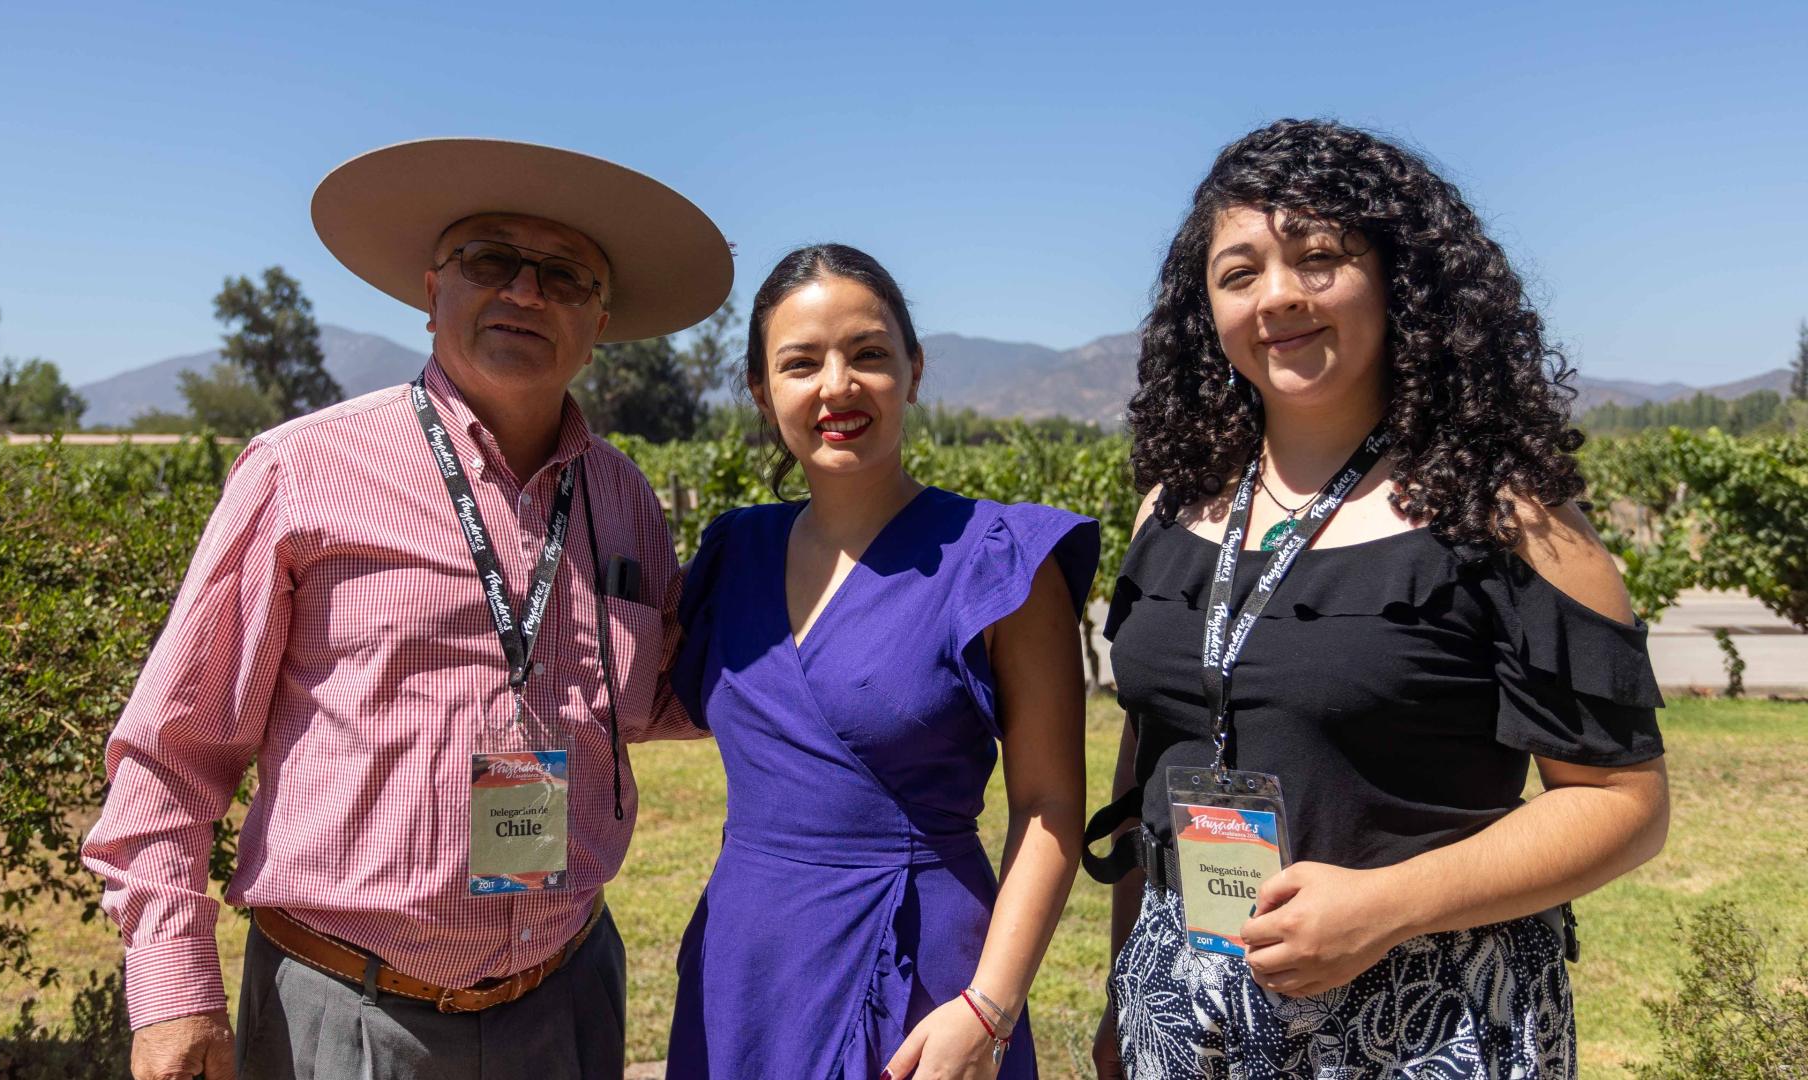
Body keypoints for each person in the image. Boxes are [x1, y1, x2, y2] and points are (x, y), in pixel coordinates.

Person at [81, 138, 732, 1080]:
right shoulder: (300, 472)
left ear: (601, 317)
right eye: (488, 261)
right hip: (345, 1014)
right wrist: (174, 991)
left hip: (570, 993)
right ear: (432, 290)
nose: (524, 292)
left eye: (563, 275)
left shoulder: (622, 499)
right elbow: (173, 752)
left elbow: (651, 697)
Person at [1084, 120, 1670, 1079]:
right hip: (1186, 1018)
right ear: (1207, 311)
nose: (1278, 296)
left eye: (1319, 258)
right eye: (1240, 274)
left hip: (1427, 1021)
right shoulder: (1172, 507)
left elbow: (1624, 805)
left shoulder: (1508, 517)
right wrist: (1124, 988)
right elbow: (1152, 753)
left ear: (1403, 281)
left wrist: (1387, 904)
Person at [663, 244, 1100, 1079]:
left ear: (914, 368)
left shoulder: (999, 560)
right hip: (743, 967)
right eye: (801, 363)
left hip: (925, 977)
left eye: (868, 354)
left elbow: (1048, 806)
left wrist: (990, 1006)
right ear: (761, 388)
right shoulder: (731, 553)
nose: (837, 386)